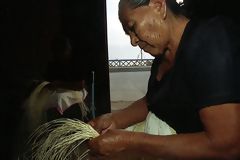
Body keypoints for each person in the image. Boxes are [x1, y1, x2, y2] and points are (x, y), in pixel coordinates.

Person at [88, 0, 240, 159]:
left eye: (133, 28)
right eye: (128, 34)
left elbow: (227, 145)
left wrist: (132, 142)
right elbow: (155, 100)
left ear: (158, 6)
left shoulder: (210, 44)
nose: (133, 41)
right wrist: (115, 119)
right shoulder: (162, 58)